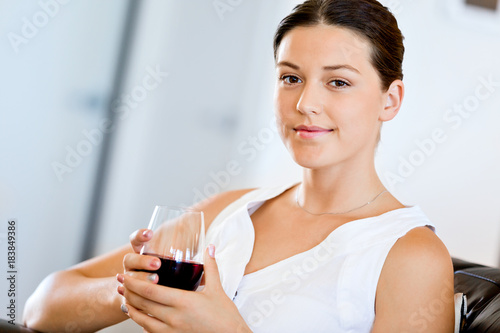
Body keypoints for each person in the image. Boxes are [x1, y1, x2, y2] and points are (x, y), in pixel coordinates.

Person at [23, 0, 455, 332]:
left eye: (338, 82)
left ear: (390, 99)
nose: (305, 104)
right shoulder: (230, 210)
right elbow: (42, 308)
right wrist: (131, 291)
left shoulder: (410, 256)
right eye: (291, 77)